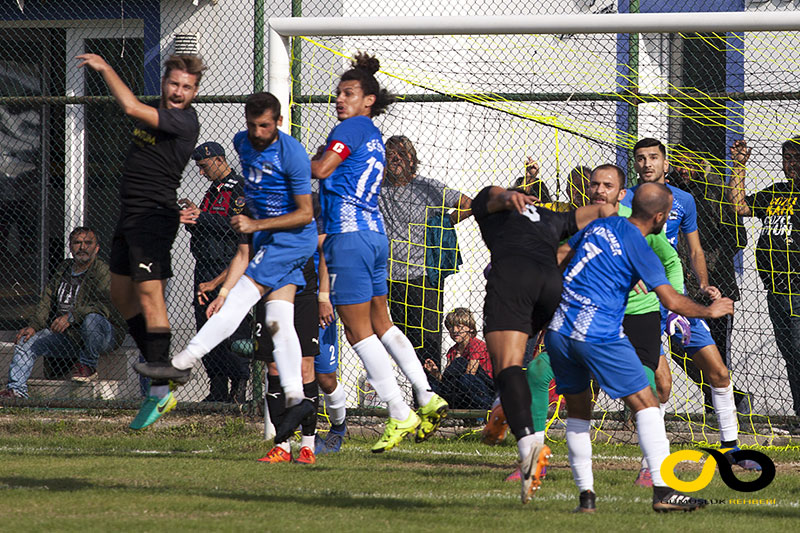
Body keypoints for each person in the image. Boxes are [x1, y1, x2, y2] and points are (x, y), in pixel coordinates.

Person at [134, 91, 318, 445]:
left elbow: (305, 214)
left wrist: (254, 225)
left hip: (292, 240)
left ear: (278, 122)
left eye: (265, 126)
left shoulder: (292, 153)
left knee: (240, 301)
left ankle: (181, 364)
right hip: (266, 240)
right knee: (279, 320)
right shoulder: (242, 143)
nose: (258, 132)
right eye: (252, 125)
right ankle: (297, 400)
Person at [546, 182, 734, 513]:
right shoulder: (642, 247)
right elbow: (672, 300)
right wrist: (709, 310)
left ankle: (586, 498)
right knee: (648, 403)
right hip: (598, 333)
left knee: (578, 411)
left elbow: (562, 252)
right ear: (660, 217)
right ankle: (664, 492)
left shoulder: (602, 224)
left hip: (560, 331)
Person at [311, 53, 448, 453]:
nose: (340, 99)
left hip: (348, 238)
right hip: (374, 235)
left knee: (357, 331)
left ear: (368, 99)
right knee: (382, 323)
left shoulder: (351, 127)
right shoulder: (370, 132)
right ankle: (425, 395)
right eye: (338, 93)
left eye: (349, 93)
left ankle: (399, 411)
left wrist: (294, 159)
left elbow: (321, 170)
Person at [76, 52, 205, 429]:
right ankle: (157, 364)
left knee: (150, 296)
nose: (180, 92)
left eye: (188, 87)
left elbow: (130, 106)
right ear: (164, 82)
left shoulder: (183, 120)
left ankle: (160, 390)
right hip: (128, 217)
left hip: (153, 219)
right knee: (121, 295)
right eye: (175, 84)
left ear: (195, 92)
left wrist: (105, 68)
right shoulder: (157, 108)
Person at [471, 182, 615, 504]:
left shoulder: (496, 205)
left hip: (515, 277)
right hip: (551, 287)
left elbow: (494, 196)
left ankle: (530, 449)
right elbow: (605, 210)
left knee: (508, 367)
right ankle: (501, 409)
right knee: (521, 360)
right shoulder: (551, 217)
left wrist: (508, 197)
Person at [621, 138, 758, 473]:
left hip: (678, 296)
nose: (647, 163)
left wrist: (702, 284)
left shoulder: (684, 200)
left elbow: (694, 250)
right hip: (642, 301)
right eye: (640, 158)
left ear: (665, 164)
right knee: (660, 385)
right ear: (635, 165)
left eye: (653, 157)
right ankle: (650, 462)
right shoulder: (623, 200)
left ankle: (732, 450)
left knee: (719, 372)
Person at [668, 144, 751, 414]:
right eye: (677, 163)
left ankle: (718, 408)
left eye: (687, 162)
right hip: (681, 286)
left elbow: (738, 238)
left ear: (698, 162)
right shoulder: (667, 195)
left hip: (718, 283)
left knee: (716, 350)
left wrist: (709, 264)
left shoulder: (715, 191)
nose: (683, 168)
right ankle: (727, 396)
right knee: (680, 348)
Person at [379, 135, 472, 368]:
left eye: (401, 154)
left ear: (412, 159)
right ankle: (418, 397)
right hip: (393, 278)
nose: (396, 158)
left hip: (423, 278)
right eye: (391, 154)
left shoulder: (427, 187)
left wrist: (446, 222)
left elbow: (468, 204)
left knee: (429, 341)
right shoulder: (378, 189)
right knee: (404, 343)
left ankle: (434, 392)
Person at [1, 227, 126, 398]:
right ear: (70, 247)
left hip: (103, 335)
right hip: (71, 337)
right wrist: (34, 326)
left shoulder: (102, 271)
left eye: (87, 243)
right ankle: (16, 390)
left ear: (96, 248)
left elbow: (104, 305)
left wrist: (72, 316)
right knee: (26, 340)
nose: (82, 247)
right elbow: (47, 298)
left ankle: (88, 365)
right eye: (77, 243)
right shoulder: (64, 268)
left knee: (91, 319)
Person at [728, 136, 800, 420]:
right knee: (790, 354)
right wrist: (738, 165)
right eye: (787, 158)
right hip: (775, 289)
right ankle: (798, 412)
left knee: (798, 349)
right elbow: (739, 206)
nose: (790, 164)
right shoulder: (777, 192)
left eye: (796, 158)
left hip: (797, 286)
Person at [182, 141, 251, 403]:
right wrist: (191, 218)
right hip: (204, 266)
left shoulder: (239, 189)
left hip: (227, 267)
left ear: (219, 160)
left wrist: (202, 217)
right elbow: (207, 225)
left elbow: (235, 226)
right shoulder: (212, 191)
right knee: (205, 328)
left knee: (232, 330)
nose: (201, 172)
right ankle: (218, 386)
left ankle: (240, 387)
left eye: (203, 166)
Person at [424, 308, 493, 410]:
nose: (454, 330)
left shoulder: (476, 344)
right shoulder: (453, 351)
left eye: (459, 327)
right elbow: (447, 380)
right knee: (430, 383)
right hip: (460, 388)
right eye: (451, 327)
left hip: (483, 388)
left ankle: (482, 412)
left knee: (460, 365)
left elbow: (470, 373)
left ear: (470, 328)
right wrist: (436, 374)